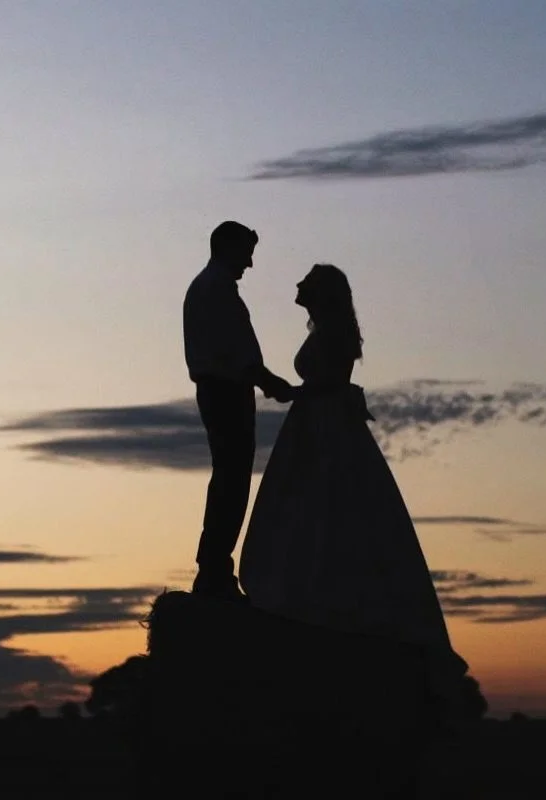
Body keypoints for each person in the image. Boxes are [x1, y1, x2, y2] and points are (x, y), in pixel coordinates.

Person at [240, 263, 468, 711]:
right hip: (311, 424)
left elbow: (328, 384)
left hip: (326, 430)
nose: (298, 285)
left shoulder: (335, 335)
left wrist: (293, 392)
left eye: (306, 280)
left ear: (322, 292)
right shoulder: (326, 330)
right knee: (307, 514)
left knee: (329, 510)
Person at [183, 221, 293, 602]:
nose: (249, 263)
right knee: (232, 479)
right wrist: (270, 383)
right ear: (228, 248)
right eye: (246, 253)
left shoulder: (209, 288)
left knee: (228, 478)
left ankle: (214, 566)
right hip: (226, 392)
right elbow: (235, 352)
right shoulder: (215, 290)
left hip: (222, 390)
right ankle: (214, 568)